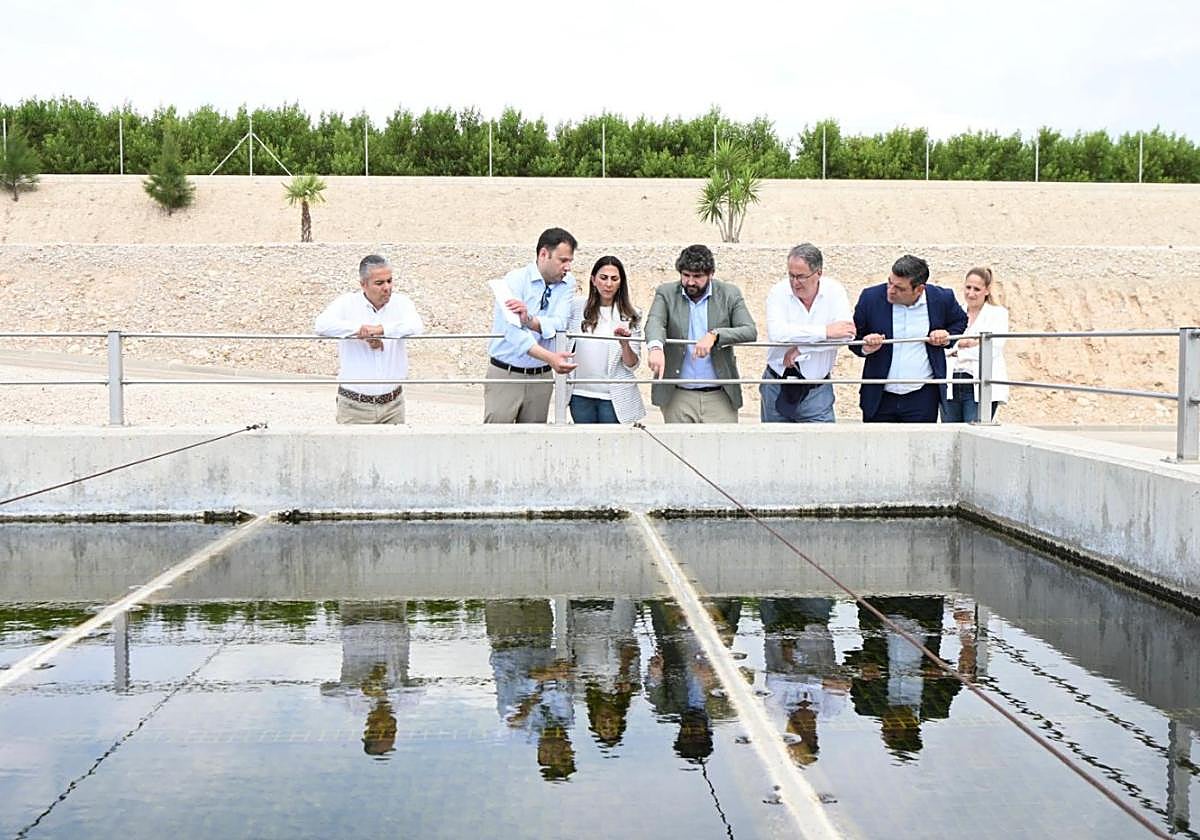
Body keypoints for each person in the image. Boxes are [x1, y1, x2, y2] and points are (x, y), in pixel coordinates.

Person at [645, 244, 757, 423]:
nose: (690, 282)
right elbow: (654, 322)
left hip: (720, 396)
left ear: (711, 274)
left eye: (697, 277)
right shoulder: (665, 293)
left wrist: (715, 335)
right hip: (677, 396)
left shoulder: (730, 293)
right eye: (686, 275)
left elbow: (749, 330)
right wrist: (656, 347)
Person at [851, 255, 967, 423]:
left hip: (923, 396)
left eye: (899, 288)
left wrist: (946, 337)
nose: (891, 290)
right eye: (889, 282)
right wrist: (865, 346)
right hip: (879, 396)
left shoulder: (942, 298)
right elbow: (854, 336)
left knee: (921, 448)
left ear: (919, 289)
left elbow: (960, 320)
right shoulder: (870, 297)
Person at [314, 254, 424, 425]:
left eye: (389, 281)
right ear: (363, 284)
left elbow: (416, 326)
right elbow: (321, 325)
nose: (387, 287)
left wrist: (382, 330)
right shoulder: (346, 303)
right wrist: (359, 330)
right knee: (350, 452)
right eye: (379, 283)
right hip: (354, 406)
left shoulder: (402, 303)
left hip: (393, 406)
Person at [484, 227, 579, 424]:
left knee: (534, 443)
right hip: (506, 374)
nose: (568, 267)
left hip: (541, 377)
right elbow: (512, 331)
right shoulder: (514, 280)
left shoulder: (568, 283)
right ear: (544, 254)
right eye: (563, 260)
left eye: (570, 261)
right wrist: (551, 357)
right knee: (496, 441)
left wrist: (529, 321)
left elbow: (561, 323)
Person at [762, 243, 856, 423]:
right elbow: (778, 334)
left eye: (801, 277)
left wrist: (802, 348)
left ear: (818, 273)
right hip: (776, 386)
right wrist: (825, 331)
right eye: (791, 275)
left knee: (824, 448)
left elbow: (846, 334)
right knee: (774, 447)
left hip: (817, 391)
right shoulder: (778, 292)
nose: (794, 282)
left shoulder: (834, 291)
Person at [568, 256, 646, 424]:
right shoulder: (576, 307)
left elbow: (632, 365)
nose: (608, 284)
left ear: (621, 283)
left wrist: (625, 344)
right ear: (593, 280)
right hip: (579, 395)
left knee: (613, 447)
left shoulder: (632, 314)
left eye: (614, 279)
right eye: (603, 278)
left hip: (613, 398)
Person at [941, 267, 1010, 422]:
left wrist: (958, 350)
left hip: (979, 385)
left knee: (974, 437)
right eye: (968, 287)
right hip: (952, 383)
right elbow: (944, 347)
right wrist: (969, 344)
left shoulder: (998, 314)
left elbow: (992, 349)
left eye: (977, 289)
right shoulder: (955, 312)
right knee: (950, 435)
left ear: (987, 290)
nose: (971, 293)